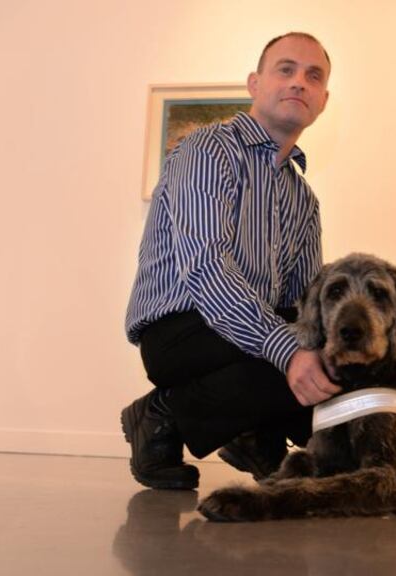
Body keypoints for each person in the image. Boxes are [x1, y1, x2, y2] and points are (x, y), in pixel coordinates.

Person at [122, 32, 340, 490]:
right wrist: (290, 352)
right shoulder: (208, 151)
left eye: (313, 76)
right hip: (182, 329)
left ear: (323, 100)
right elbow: (206, 271)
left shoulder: (304, 198)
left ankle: (255, 432)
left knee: (332, 366)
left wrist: (328, 354)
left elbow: (304, 305)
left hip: (247, 334)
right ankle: (161, 415)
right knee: (289, 362)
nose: (299, 82)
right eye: (286, 69)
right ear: (254, 84)